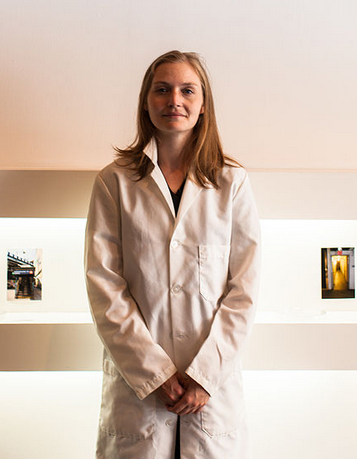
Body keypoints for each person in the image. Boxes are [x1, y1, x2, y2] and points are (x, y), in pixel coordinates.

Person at [85, 50, 261, 459]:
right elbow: (104, 285)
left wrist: (204, 377)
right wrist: (155, 373)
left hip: (212, 394)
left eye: (187, 90)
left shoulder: (231, 183)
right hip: (139, 391)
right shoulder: (115, 182)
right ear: (146, 102)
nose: (174, 100)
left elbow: (244, 290)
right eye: (161, 90)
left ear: (203, 106)